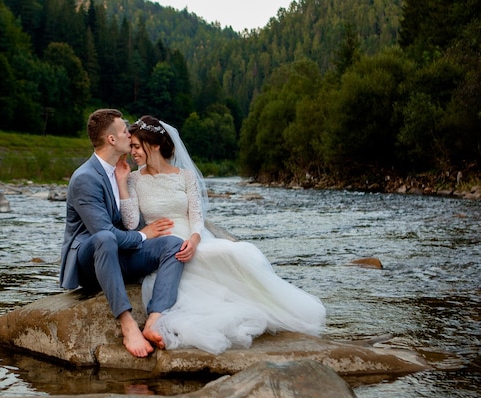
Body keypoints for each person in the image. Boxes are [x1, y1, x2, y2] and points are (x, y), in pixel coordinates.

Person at [115, 115, 326, 355]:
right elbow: (131, 223)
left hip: (194, 242)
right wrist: (122, 183)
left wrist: (194, 240)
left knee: (239, 251)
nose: (132, 152)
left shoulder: (185, 176)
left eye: (135, 146)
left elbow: (196, 215)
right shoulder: (133, 179)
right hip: (163, 249)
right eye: (130, 146)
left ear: (153, 145)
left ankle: (279, 308)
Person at [59, 109, 186, 358]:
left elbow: (130, 222)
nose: (130, 134)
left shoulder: (122, 172)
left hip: (120, 254)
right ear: (112, 140)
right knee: (106, 238)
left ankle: (154, 320)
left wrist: (123, 183)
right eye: (125, 130)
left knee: (174, 244)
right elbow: (105, 232)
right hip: (91, 261)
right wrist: (144, 235)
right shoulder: (85, 178)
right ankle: (127, 324)